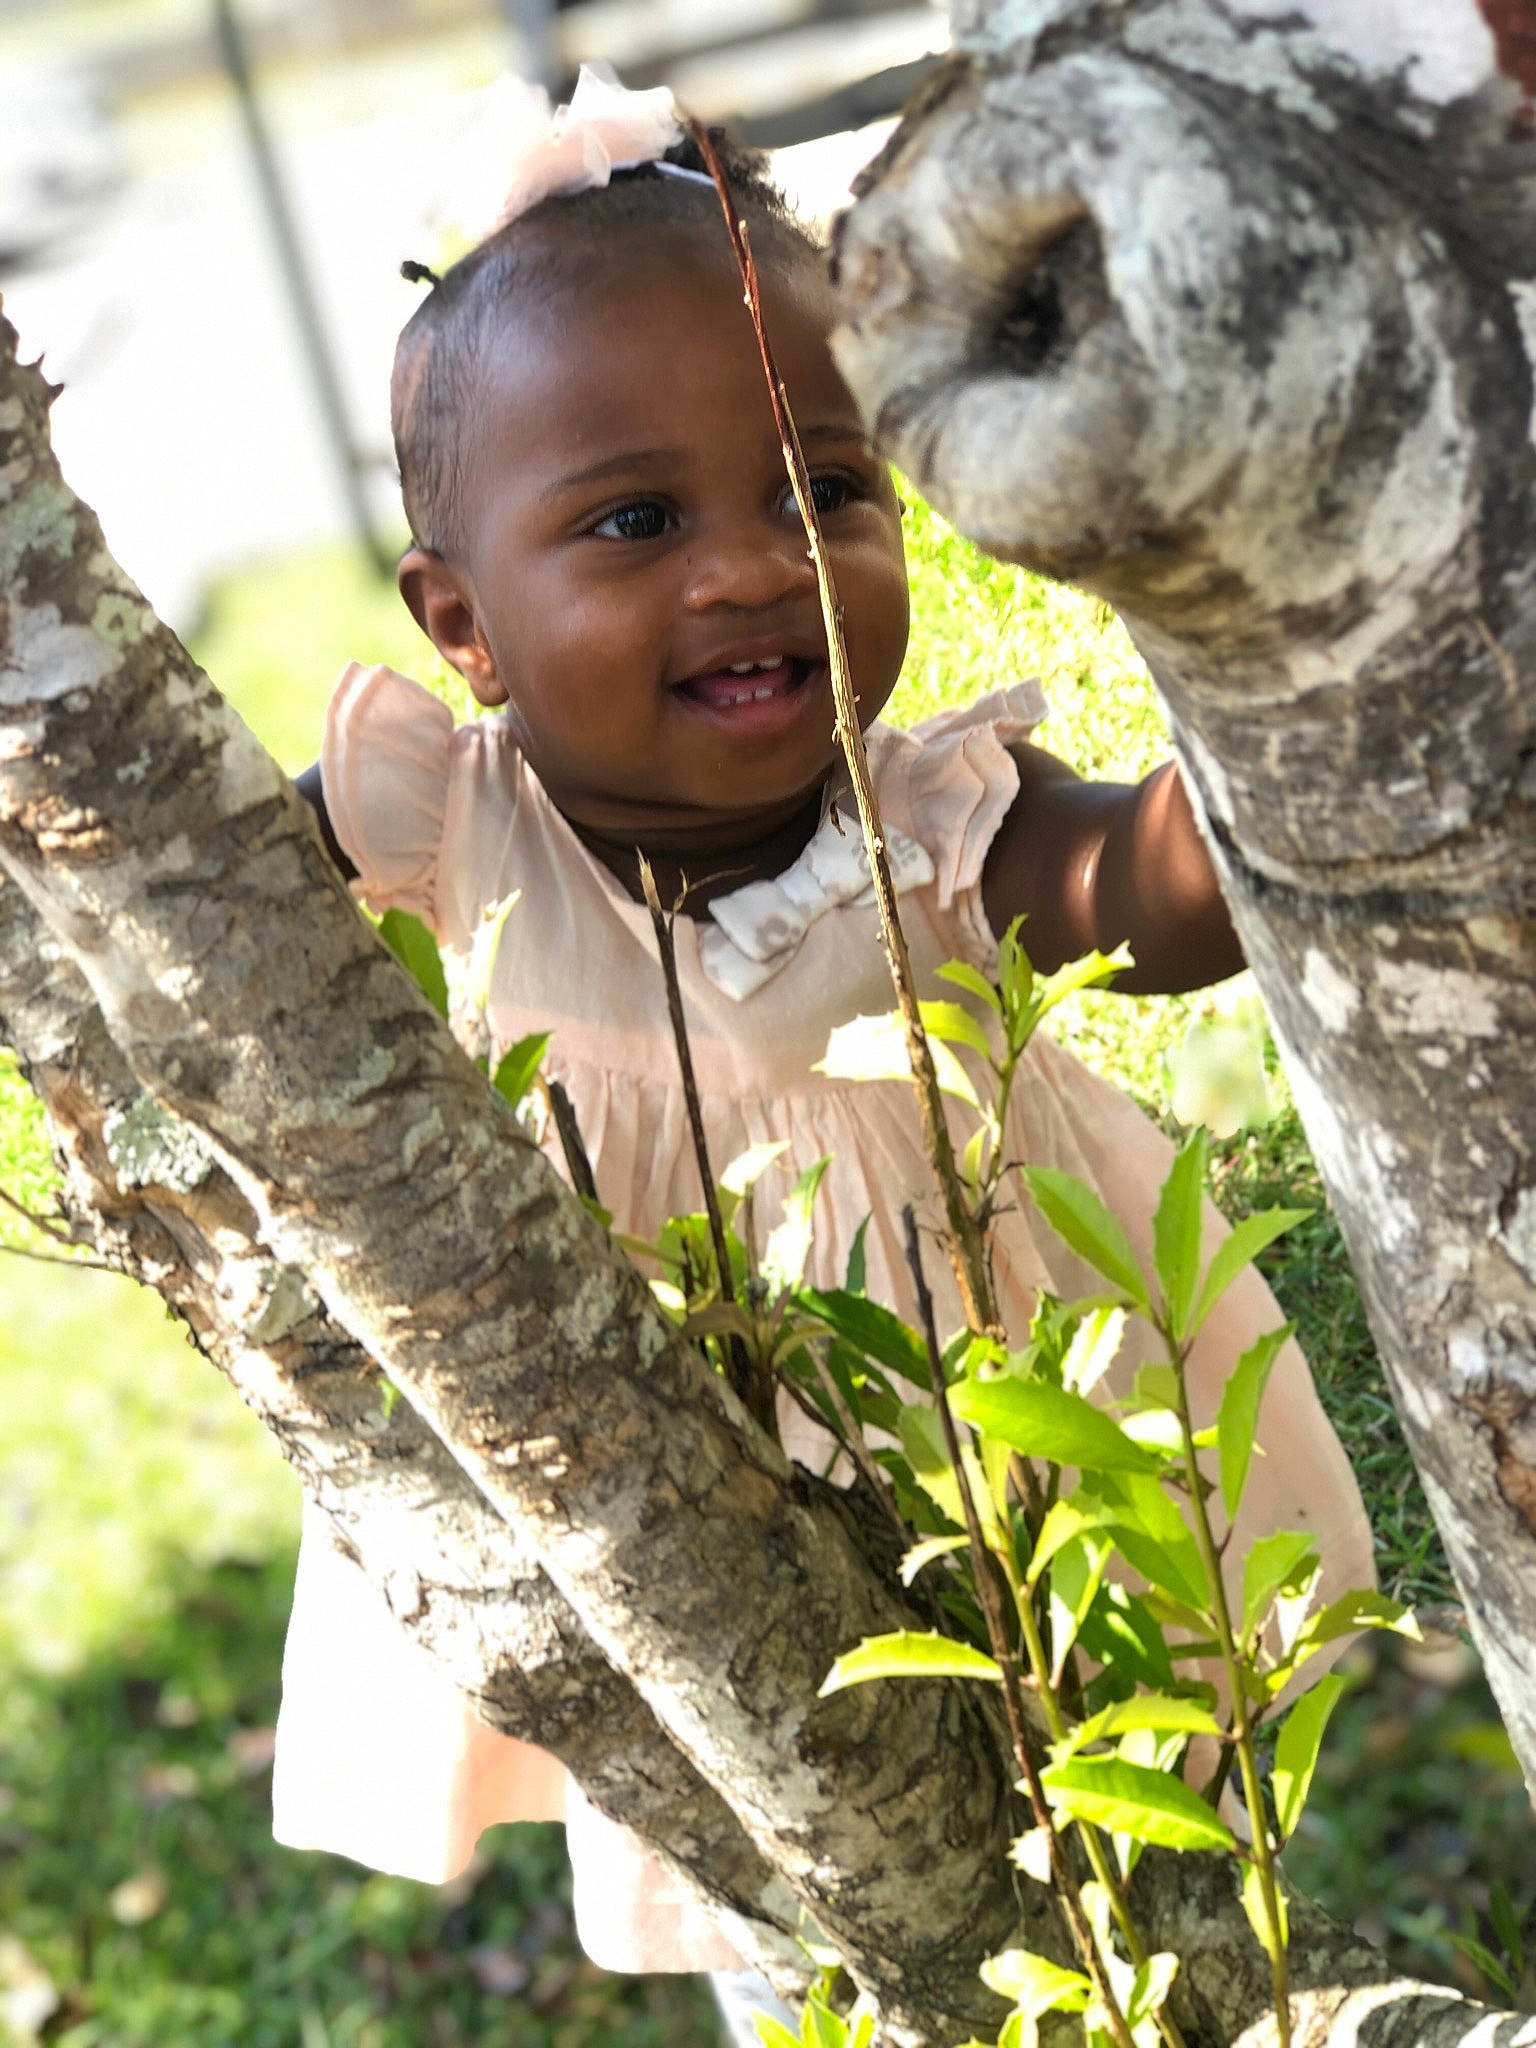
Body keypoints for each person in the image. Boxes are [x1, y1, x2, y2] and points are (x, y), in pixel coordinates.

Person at [276, 67, 1373, 2037]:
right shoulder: (446, 822)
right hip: (697, 1558)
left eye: (827, 489)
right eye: (635, 519)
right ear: (466, 623)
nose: (755, 564)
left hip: (1036, 1523)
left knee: (1109, 1913)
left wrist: (1291, 682)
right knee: (816, 1920)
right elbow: (147, 889)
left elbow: (1166, 899)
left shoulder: (935, 826)